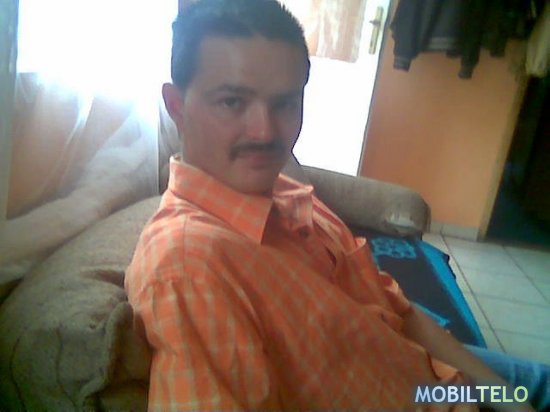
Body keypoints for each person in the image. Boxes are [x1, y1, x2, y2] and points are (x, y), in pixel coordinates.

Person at [125, 0, 549, 410]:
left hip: (437, 383)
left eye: (285, 103)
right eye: (232, 101)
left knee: (538, 385)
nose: (265, 131)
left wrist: (507, 401)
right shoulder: (190, 267)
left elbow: (399, 309)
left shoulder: (289, 193)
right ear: (177, 107)